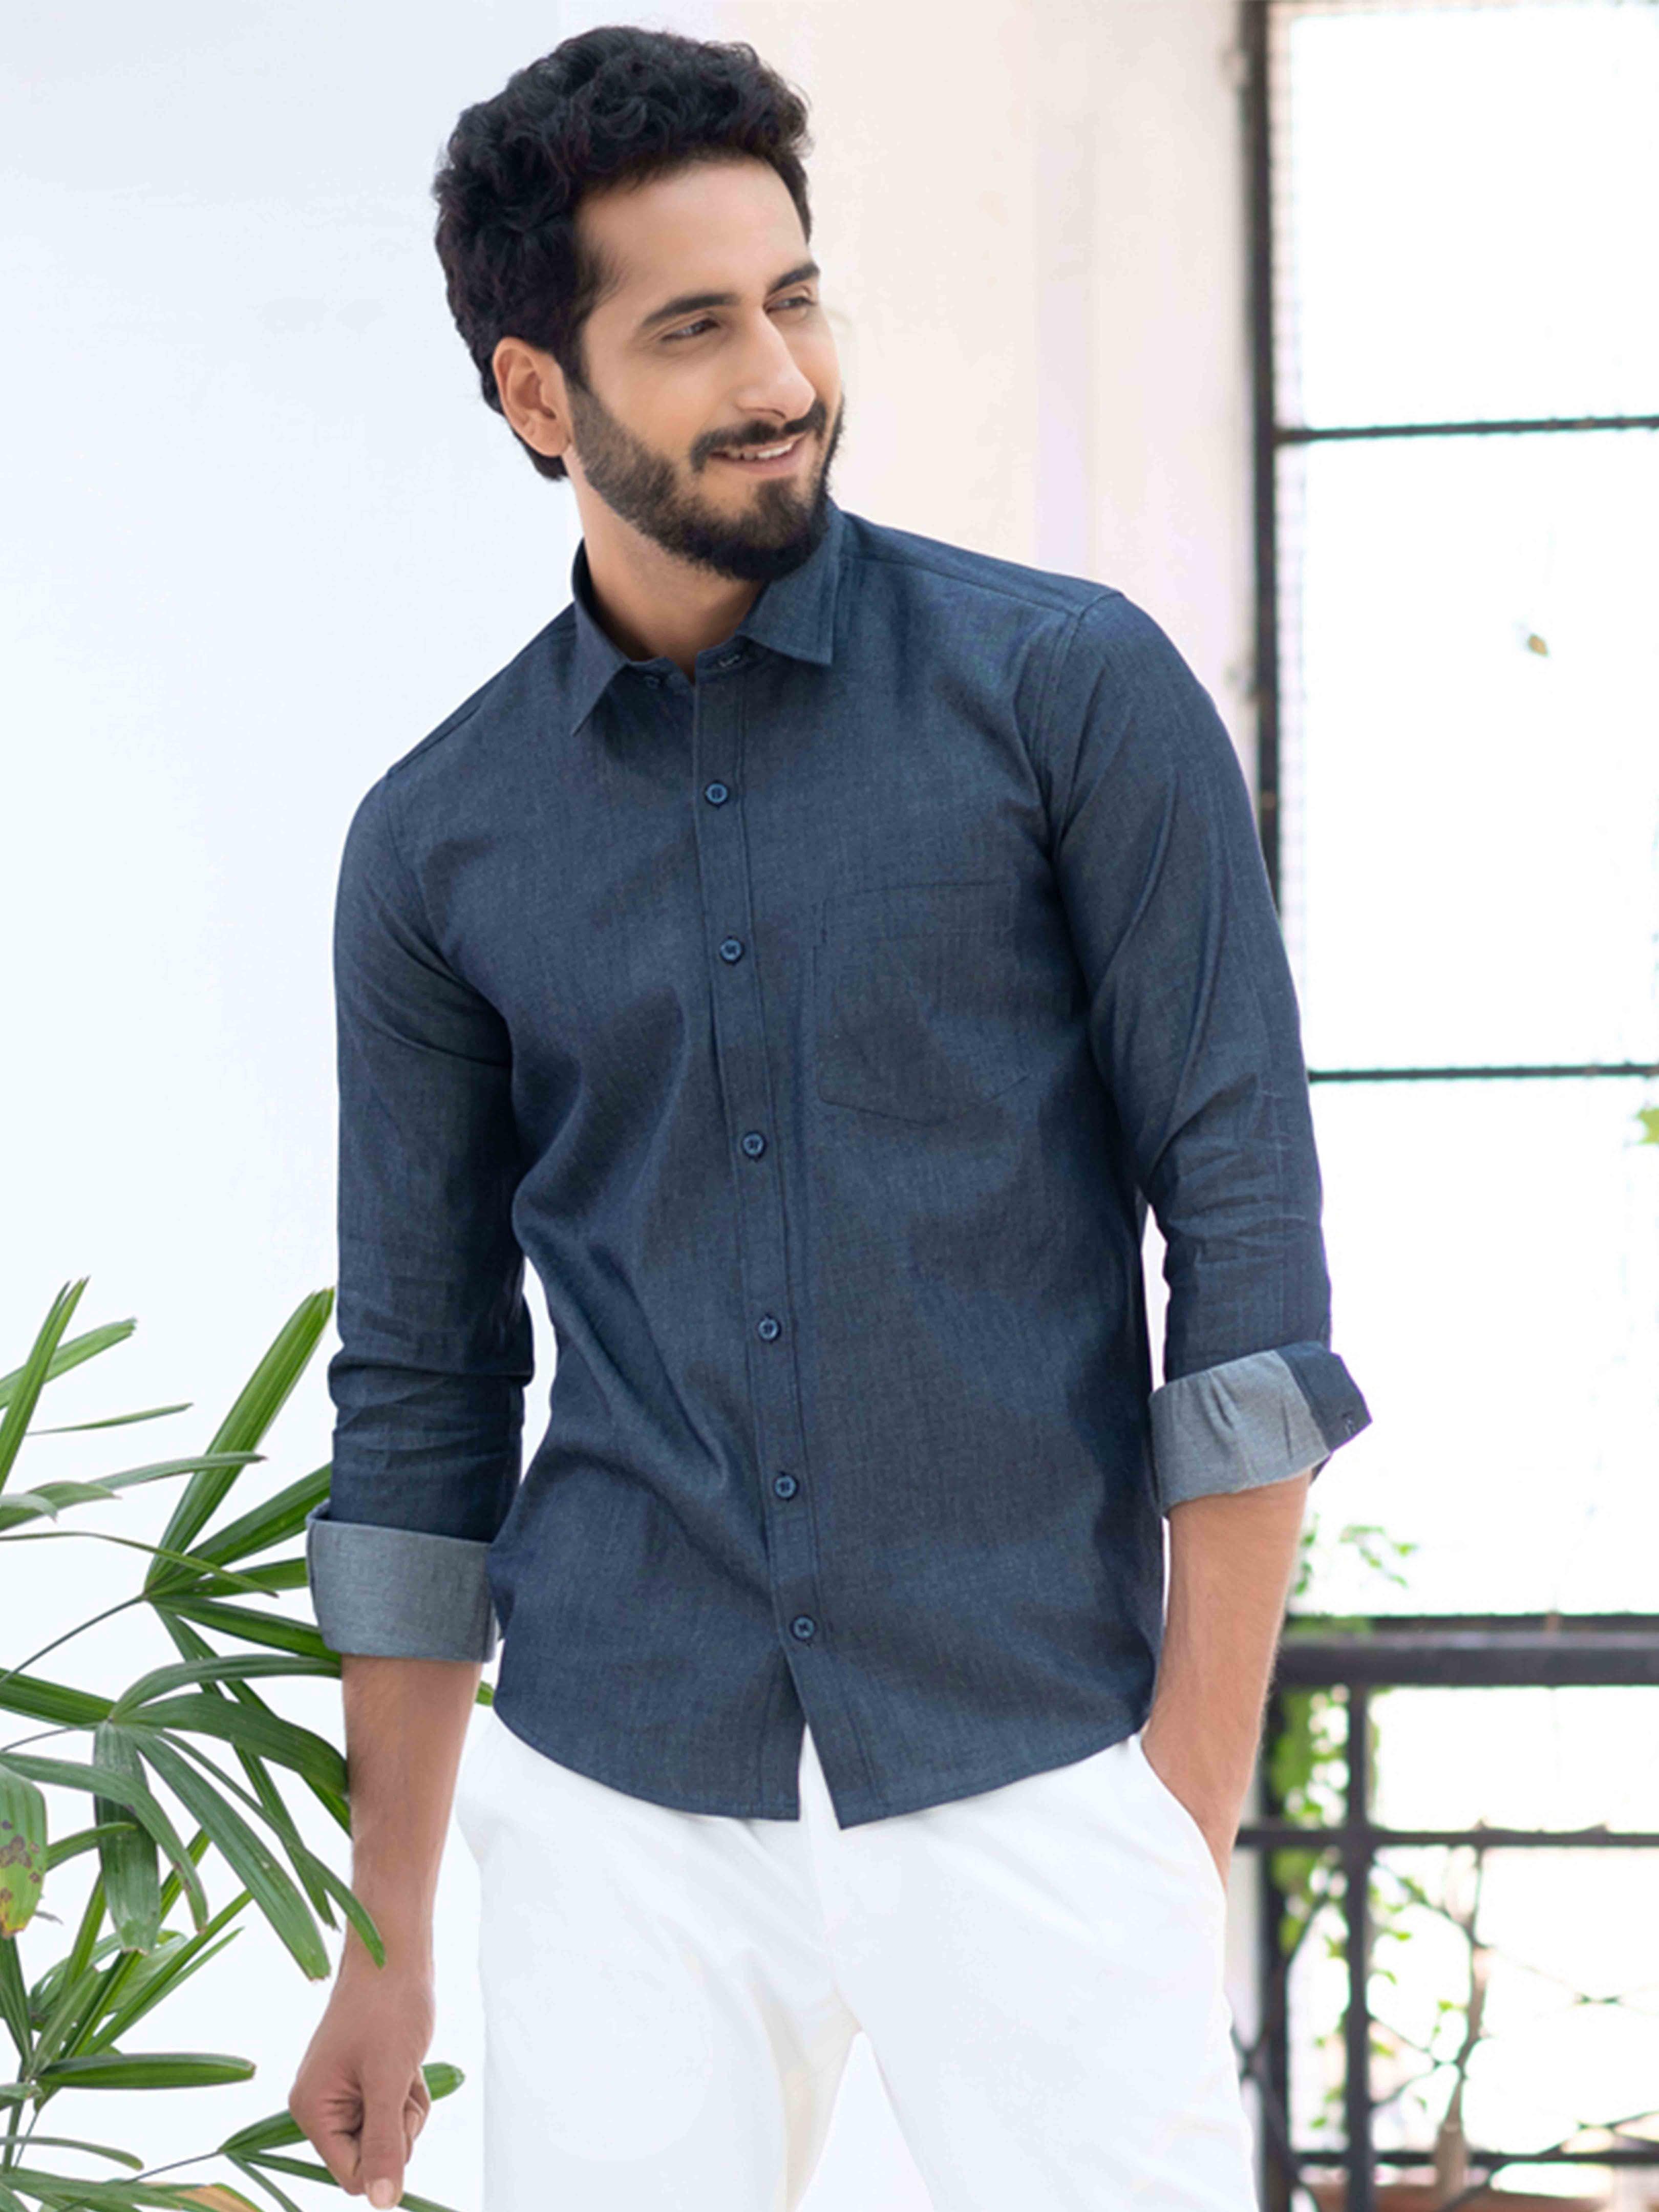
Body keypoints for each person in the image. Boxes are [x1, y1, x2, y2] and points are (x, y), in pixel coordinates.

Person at [286, 24, 1371, 2211]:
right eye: (694, 328)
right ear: (538, 394)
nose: (782, 373)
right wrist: (384, 1938)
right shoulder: (438, 841)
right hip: (620, 1797)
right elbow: (421, 1393)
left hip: (1041, 1745)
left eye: (794, 297)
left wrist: (1186, 1796)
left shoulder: (1066, 692)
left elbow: (1244, 1227)